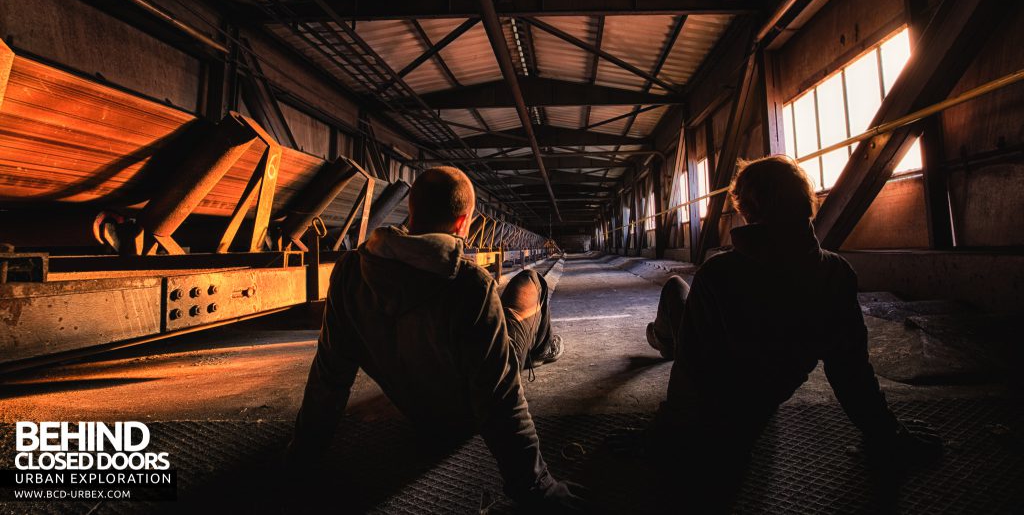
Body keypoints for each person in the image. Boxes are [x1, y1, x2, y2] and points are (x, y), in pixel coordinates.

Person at [642, 155, 941, 506]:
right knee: (684, 300)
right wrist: (884, 432)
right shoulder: (836, 273)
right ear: (805, 203)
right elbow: (850, 371)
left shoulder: (718, 274)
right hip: (765, 397)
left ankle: (660, 337)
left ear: (749, 210)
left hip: (719, 411)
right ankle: (664, 338)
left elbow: (692, 367)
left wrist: (665, 431)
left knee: (676, 288)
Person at [286, 166, 580, 511]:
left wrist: (302, 456)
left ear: (411, 211)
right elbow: (500, 399)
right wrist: (536, 485)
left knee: (495, 312)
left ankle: (533, 342)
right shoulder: (469, 283)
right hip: (468, 415)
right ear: (463, 222)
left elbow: (329, 375)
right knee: (530, 283)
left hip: (416, 410)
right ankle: (543, 346)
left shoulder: (351, 270)